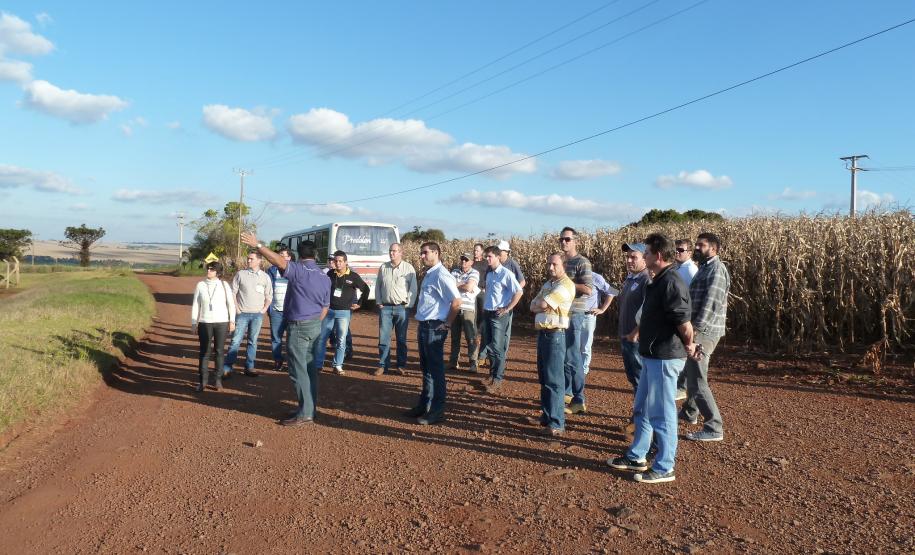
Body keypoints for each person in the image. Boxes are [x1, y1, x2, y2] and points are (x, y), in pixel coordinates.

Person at [608, 233, 696, 484]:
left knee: (662, 412)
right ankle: (637, 455)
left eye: (646, 253)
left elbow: (685, 323)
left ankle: (665, 466)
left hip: (665, 357)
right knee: (643, 407)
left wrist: (689, 345)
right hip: (651, 354)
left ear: (657, 256)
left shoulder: (671, 283)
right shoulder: (657, 280)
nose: (643, 256)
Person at [241, 232, 330, 427]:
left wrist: (258, 245)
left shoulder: (299, 271)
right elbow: (325, 307)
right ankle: (309, 408)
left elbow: (278, 260)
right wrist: (314, 322)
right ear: (316, 255)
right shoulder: (324, 277)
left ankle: (305, 413)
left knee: (298, 371)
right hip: (315, 325)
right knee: (310, 370)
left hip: (299, 326)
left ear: (299, 254)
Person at [680, 232, 731, 442]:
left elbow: (711, 304)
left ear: (714, 248)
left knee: (697, 380)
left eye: (702, 245)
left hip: (705, 331)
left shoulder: (717, 270)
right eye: (697, 245)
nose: (697, 248)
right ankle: (689, 413)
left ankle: (714, 427)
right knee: (691, 374)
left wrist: (695, 332)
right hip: (702, 329)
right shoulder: (706, 268)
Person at [404, 241, 461, 425]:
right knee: (426, 369)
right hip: (425, 325)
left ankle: (437, 410)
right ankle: (424, 405)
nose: (422, 256)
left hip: (435, 326)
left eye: (425, 253)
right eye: (421, 253)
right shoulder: (430, 274)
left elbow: (456, 302)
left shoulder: (442, 275)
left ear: (436, 253)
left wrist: (447, 324)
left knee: (435, 370)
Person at [529, 252, 575, 437]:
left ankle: (557, 423)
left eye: (554, 264)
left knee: (554, 380)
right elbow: (533, 305)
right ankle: (547, 417)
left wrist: (541, 304)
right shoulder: (549, 284)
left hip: (555, 334)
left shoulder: (566, 285)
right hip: (543, 333)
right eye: (549, 264)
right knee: (544, 377)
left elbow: (543, 303)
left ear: (564, 266)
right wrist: (541, 304)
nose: (550, 267)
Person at [315, 250, 369, 375]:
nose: (337, 263)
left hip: (344, 313)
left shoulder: (353, 276)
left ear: (345, 262)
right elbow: (322, 289)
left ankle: (337, 365)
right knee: (322, 338)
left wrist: (360, 303)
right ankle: (318, 364)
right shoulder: (330, 274)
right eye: (336, 261)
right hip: (329, 311)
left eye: (340, 261)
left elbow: (365, 288)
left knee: (341, 340)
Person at [559, 227, 593, 416]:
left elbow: (588, 289)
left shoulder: (582, 262)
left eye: (567, 239)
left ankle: (579, 399)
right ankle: (567, 393)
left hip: (575, 313)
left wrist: (567, 284)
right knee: (563, 355)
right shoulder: (562, 262)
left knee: (573, 356)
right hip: (561, 314)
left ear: (575, 241)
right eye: (561, 239)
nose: (564, 242)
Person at [481, 245, 523, 394]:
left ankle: (497, 379)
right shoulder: (490, 274)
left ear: (498, 257)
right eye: (486, 256)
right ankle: (492, 375)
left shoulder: (506, 274)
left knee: (498, 348)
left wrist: (508, 308)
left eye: (490, 256)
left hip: (499, 315)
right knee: (489, 346)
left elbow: (518, 291)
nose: (487, 259)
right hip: (488, 312)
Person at [223, 251, 272, 379]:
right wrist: (237, 309)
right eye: (248, 259)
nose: (248, 261)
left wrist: (264, 309)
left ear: (259, 260)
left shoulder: (265, 277)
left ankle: (249, 367)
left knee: (253, 341)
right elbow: (233, 292)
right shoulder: (240, 274)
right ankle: (227, 367)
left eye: (251, 259)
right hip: (242, 314)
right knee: (235, 341)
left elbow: (269, 295)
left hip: (257, 315)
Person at [191, 262, 236, 392]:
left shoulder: (224, 285)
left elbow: (230, 304)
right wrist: (194, 322)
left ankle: (218, 381)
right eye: (208, 268)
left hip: (221, 322)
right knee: (204, 352)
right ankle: (203, 381)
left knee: (219, 351)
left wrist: (232, 321)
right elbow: (196, 305)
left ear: (218, 272)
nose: (209, 271)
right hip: (205, 322)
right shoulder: (200, 285)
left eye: (212, 269)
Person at [375, 242, 417, 376]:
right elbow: (378, 286)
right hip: (386, 308)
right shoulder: (383, 267)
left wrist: (408, 305)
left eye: (394, 251)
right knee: (383, 338)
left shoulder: (408, 268)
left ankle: (401, 365)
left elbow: (413, 289)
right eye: (390, 251)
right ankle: (383, 365)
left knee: (401, 339)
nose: (391, 253)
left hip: (401, 308)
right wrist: (379, 302)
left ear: (401, 252)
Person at [618, 243, 649, 394]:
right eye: (627, 257)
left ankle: (644, 415)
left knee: (640, 377)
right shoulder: (631, 278)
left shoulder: (647, 279)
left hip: (637, 338)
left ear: (645, 259)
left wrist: (637, 332)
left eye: (634, 257)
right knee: (633, 377)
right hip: (626, 336)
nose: (629, 260)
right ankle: (642, 413)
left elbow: (649, 311)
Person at [580, 271, 616, 376]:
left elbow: (612, 292)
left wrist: (602, 309)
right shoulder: (571, 275)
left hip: (588, 316)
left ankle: (583, 371)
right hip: (572, 316)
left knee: (585, 346)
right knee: (572, 344)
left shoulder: (595, 277)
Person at [448, 253, 480, 372]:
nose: (463, 262)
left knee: (470, 336)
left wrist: (457, 285)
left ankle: (473, 363)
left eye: (466, 260)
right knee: (455, 336)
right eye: (462, 259)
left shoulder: (475, 273)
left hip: (468, 308)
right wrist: (463, 284)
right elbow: (449, 286)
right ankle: (453, 362)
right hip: (455, 307)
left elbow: (469, 287)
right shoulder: (454, 272)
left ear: (472, 262)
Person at [267, 246, 294, 371]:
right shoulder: (271, 270)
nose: (281, 257)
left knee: (292, 338)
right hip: (276, 311)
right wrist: (269, 308)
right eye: (280, 255)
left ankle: (291, 362)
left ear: (290, 257)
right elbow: (267, 290)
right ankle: (278, 361)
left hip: (291, 311)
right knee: (276, 337)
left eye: (284, 255)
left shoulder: (295, 270)